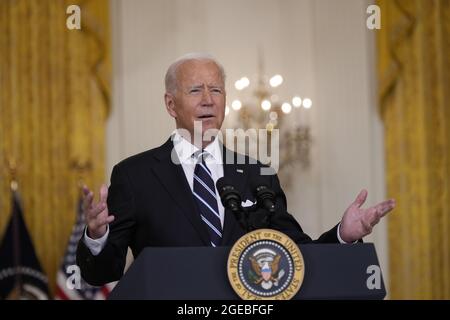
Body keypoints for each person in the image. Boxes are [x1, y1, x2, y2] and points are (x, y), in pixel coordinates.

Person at [76, 53, 395, 286]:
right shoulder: (135, 175)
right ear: (171, 105)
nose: (208, 100)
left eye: (216, 90)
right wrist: (96, 235)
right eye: (195, 90)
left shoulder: (257, 173)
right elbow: (102, 273)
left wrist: (343, 235)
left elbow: (294, 252)